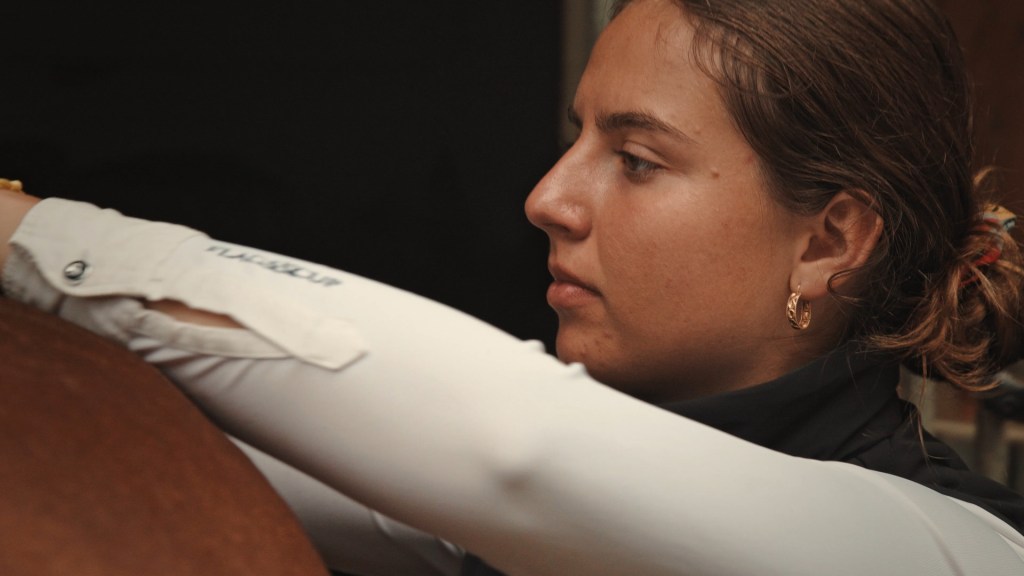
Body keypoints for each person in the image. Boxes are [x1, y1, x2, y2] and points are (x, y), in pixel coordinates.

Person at [2, 0, 1024, 573]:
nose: (547, 199)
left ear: (828, 241)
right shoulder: (518, 519)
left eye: (636, 160)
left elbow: (515, 445)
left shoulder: (949, 549)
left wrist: (28, 234)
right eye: (576, 139)